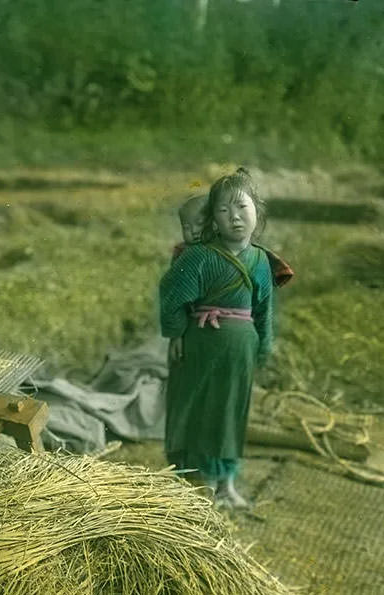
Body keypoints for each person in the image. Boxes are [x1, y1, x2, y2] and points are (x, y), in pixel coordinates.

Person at [159, 167, 274, 509]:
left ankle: (227, 482)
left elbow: (264, 309)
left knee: (231, 413)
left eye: (243, 208)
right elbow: (171, 296)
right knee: (201, 409)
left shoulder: (261, 260)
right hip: (201, 346)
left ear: (257, 210)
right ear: (213, 219)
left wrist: (263, 346)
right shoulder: (198, 256)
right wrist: (176, 333)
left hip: (241, 349)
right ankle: (202, 481)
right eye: (224, 211)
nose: (235, 218)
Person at [172, 192, 294, 287]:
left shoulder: (232, 245)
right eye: (186, 227)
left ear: (216, 223)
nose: (193, 231)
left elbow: (264, 264)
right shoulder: (183, 251)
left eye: (200, 223)